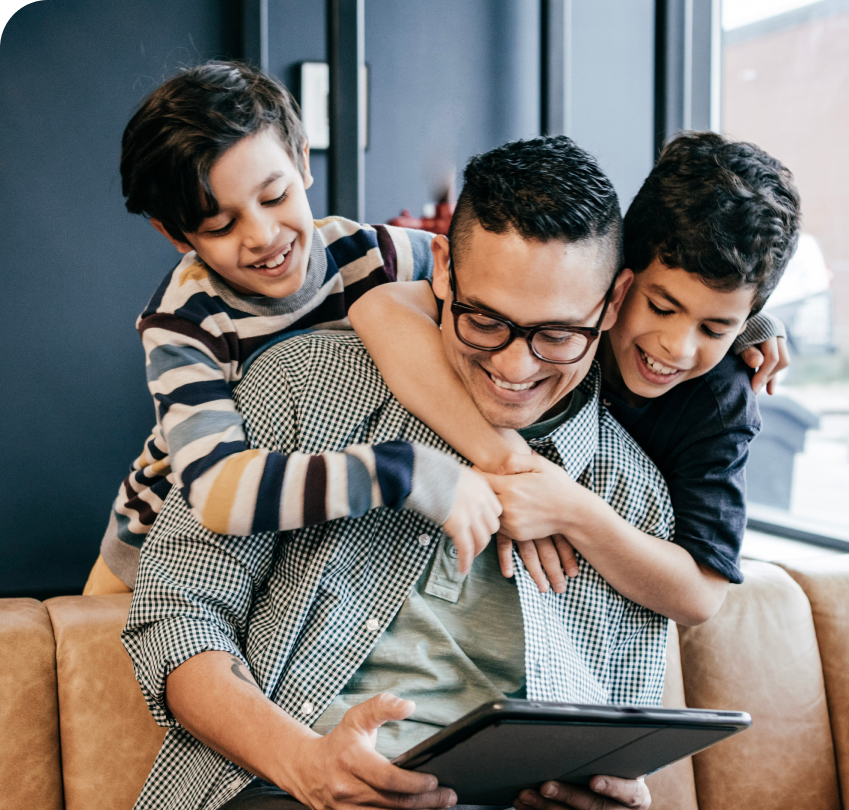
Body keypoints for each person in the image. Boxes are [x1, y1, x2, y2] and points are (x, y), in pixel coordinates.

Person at [123, 137, 667, 810]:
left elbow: (627, 737)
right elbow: (175, 613)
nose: (515, 368)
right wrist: (303, 763)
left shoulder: (631, 500)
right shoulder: (302, 385)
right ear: (440, 270)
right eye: (483, 321)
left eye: (557, 335)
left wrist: (612, 795)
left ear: (612, 304)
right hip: (281, 788)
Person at [349, 131, 801, 625]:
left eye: (714, 328)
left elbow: (701, 594)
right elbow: (380, 305)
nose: (678, 346)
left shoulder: (719, 401)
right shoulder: (549, 283)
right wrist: (509, 461)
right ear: (619, 278)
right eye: (661, 307)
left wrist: (571, 511)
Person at [84, 60, 501, 595]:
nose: (262, 236)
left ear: (302, 161)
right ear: (176, 233)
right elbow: (216, 493)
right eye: (220, 225)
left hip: (308, 544)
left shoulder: (377, 256)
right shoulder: (184, 320)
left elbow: (489, 288)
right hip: (159, 544)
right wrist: (405, 471)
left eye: (275, 196)